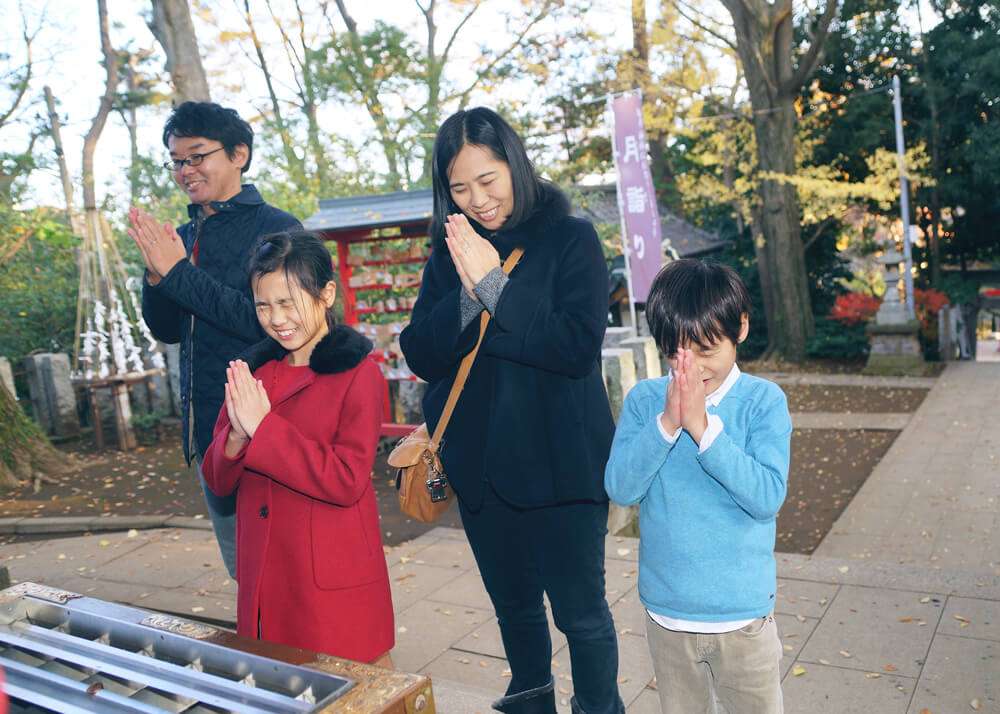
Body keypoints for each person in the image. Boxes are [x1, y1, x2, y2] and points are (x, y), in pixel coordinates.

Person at [399, 107, 623, 714]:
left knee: (581, 617)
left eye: (488, 180)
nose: (478, 200)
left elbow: (575, 348)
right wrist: (471, 293)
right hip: (482, 473)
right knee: (517, 612)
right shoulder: (451, 251)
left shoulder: (570, 238)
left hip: (561, 470)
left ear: (516, 167)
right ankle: (532, 703)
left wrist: (495, 285)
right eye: (460, 188)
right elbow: (419, 350)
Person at [604, 259, 791, 714]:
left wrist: (704, 431)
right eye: (676, 353)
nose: (692, 368)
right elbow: (621, 488)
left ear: (740, 328)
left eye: (706, 350)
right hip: (668, 614)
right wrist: (668, 423)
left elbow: (767, 497)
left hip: (743, 617)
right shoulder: (646, 401)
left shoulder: (763, 402)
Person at [201, 231, 393, 664]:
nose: (276, 318)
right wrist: (236, 435)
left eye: (288, 303)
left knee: (350, 689)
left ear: (326, 294)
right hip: (267, 572)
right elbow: (217, 479)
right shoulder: (254, 371)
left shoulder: (357, 374)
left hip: (326, 575)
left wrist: (263, 429)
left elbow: (346, 479)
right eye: (263, 305)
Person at [128, 102, 301, 578]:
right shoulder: (180, 237)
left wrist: (179, 273)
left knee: (284, 567)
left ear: (239, 154)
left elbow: (268, 323)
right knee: (242, 571)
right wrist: (156, 274)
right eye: (177, 160)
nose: (186, 171)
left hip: (273, 425)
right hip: (210, 429)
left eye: (198, 156)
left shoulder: (278, 228)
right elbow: (166, 330)